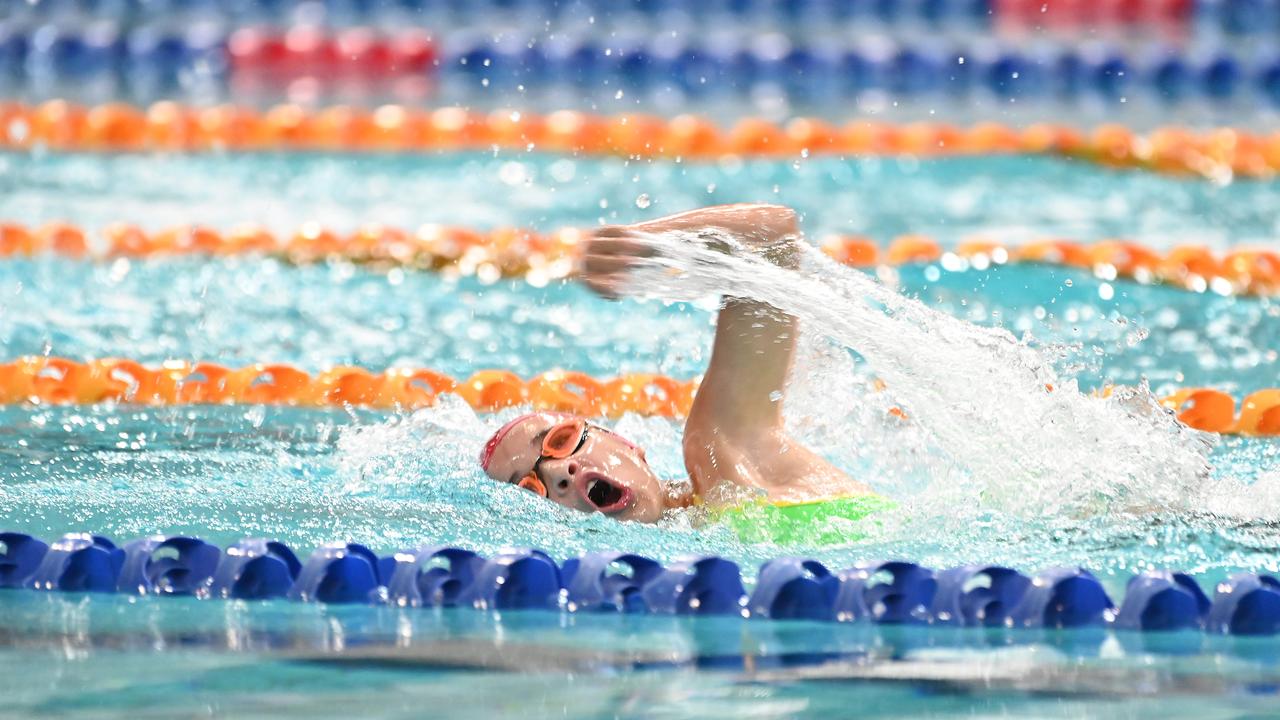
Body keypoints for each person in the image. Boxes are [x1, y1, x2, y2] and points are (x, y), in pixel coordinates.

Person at [479, 204, 888, 544]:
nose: (558, 473)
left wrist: (645, 243)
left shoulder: (724, 455)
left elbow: (769, 236)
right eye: (531, 489)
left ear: (625, 442)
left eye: (559, 441)